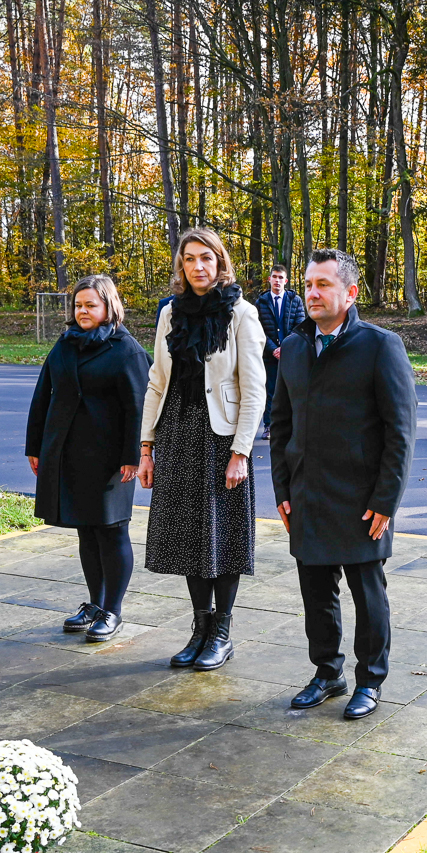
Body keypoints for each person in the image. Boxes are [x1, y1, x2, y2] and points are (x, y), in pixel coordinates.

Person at [270, 249, 417, 720]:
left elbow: (400, 432)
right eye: (308, 285)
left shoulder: (380, 346)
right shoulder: (294, 347)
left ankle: (370, 680)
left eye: (323, 285)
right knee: (316, 594)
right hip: (307, 495)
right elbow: (281, 425)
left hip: (362, 500)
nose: (312, 293)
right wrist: (282, 491)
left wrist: (386, 500)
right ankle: (327, 673)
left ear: (350, 293)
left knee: (368, 595)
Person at [138, 227, 266, 672]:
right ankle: (200, 629)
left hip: (221, 438)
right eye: (189, 259)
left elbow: (254, 390)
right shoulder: (170, 312)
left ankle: (222, 633)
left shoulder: (242, 313)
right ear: (181, 265)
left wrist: (241, 452)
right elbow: (157, 382)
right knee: (190, 536)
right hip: (177, 432)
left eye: (206, 258)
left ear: (220, 262)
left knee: (223, 535)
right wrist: (146, 447)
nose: (197, 266)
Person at [24, 274, 151, 641]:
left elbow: (138, 407)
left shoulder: (126, 350)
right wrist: (35, 446)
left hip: (111, 458)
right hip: (68, 451)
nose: (82, 311)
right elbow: (43, 395)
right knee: (86, 529)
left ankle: (113, 610)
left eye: (90, 305)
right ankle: (95, 604)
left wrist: (134, 455)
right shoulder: (65, 343)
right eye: (78, 305)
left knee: (111, 530)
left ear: (109, 307)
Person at [255, 265, 304, 440]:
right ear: (269, 279)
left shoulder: (295, 300)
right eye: (274, 277)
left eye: (280, 277)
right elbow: (257, 329)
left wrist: (286, 347)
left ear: (286, 280)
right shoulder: (261, 302)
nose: (277, 280)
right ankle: (269, 426)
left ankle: (291, 427)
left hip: (290, 355)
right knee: (270, 391)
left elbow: (300, 326)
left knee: (292, 390)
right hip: (269, 355)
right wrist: (273, 349)